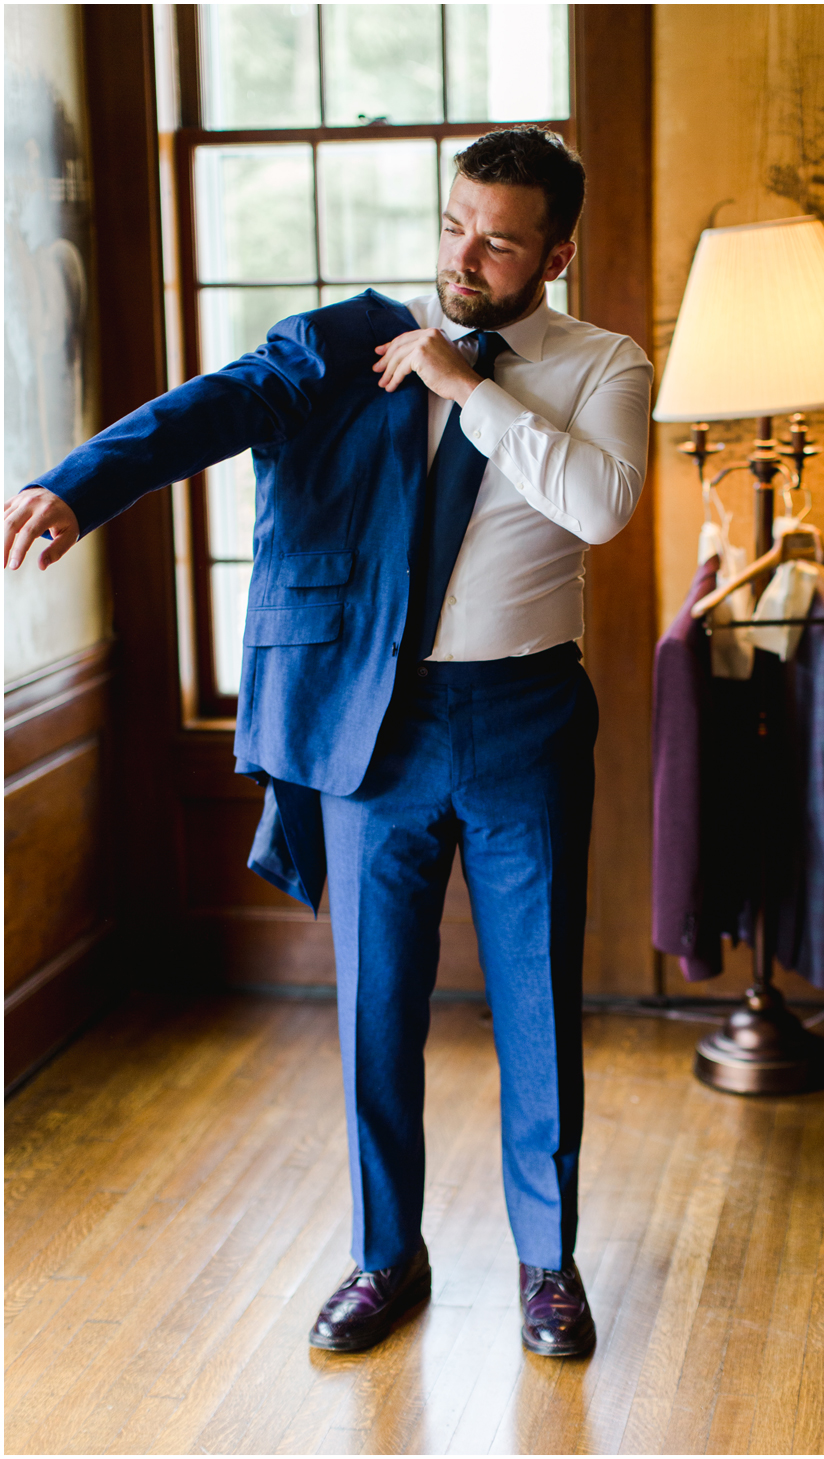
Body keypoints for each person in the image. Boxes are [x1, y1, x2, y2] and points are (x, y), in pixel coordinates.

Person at [4, 127, 652, 1357]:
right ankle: (382, 1257)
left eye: (501, 238)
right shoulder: (345, 340)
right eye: (455, 221)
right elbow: (214, 407)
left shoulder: (601, 363)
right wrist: (77, 487)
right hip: (379, 730)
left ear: (556, 252)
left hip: (526, 721)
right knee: (375, 1012)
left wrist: (470, 386)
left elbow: (601, 506)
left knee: (537, 1008)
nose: (466, 253)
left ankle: (545, 1267)